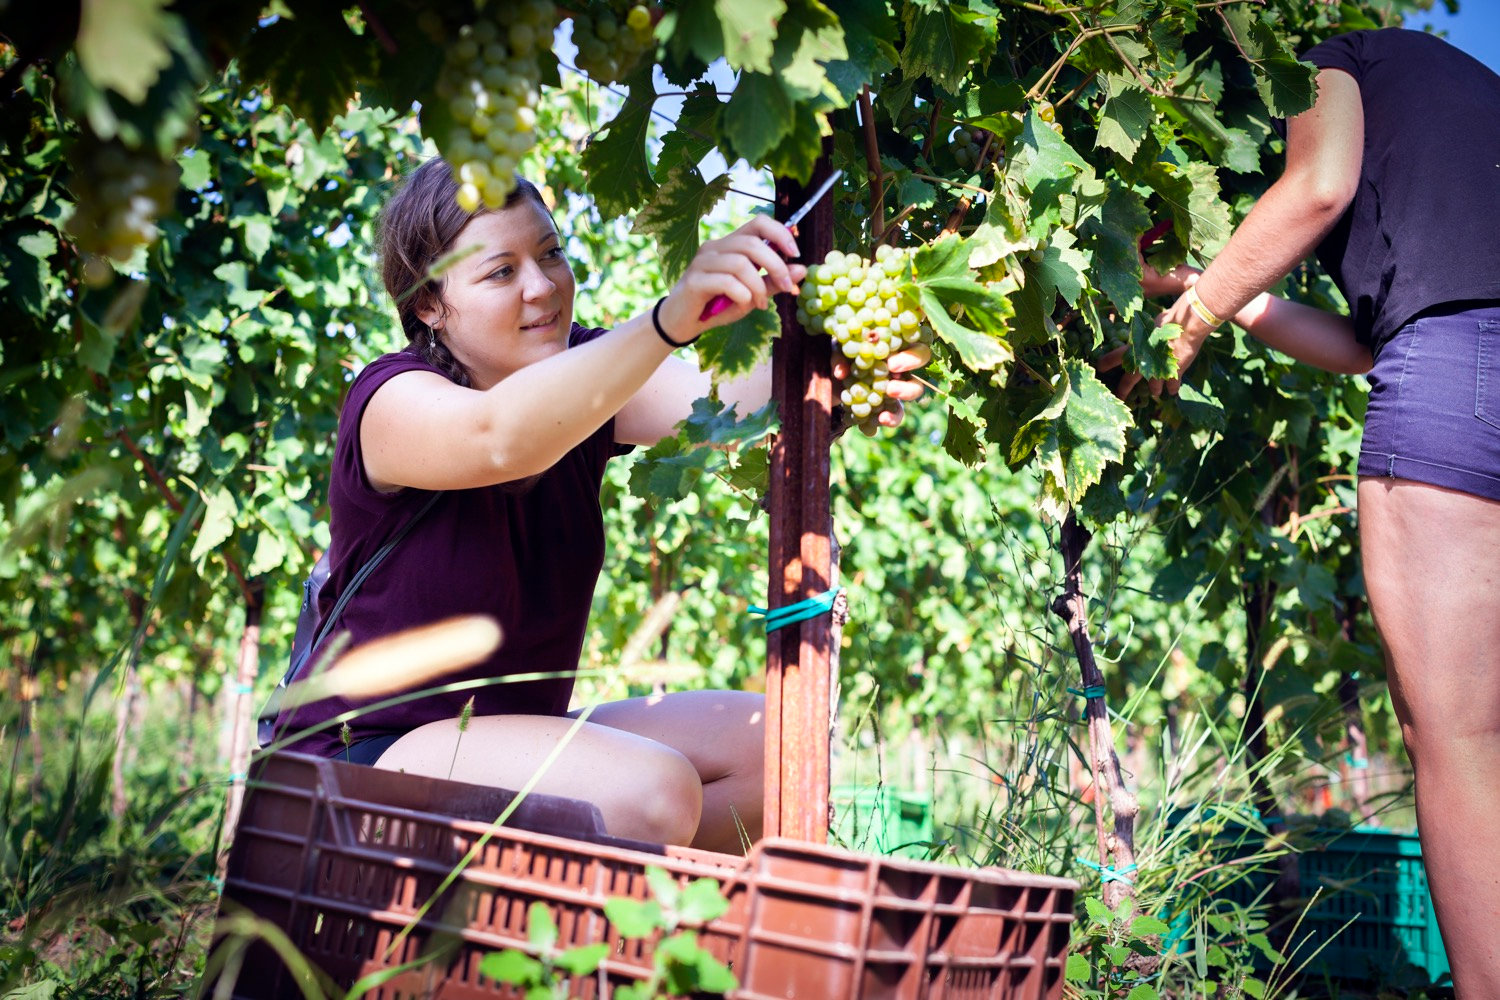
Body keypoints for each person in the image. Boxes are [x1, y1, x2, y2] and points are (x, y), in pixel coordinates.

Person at [274, 158, 928, 854]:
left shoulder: (590, 378)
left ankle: (629, 916)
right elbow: (499, 437)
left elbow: (727, 405)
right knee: (650, 793)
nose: (542, 286)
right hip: (361, 762)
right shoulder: (390, 400)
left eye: (550, 253)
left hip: (506, 748)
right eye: (501, 272)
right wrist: (670, 319)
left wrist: (846, 364)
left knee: (779, 748)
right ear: (430, 304)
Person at [1110, 27, 1500, 990]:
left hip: (1462, 373)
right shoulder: (1461, 95)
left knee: (1459, 736)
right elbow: (1360, 344)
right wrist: (1217, 288)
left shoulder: (1329, 58)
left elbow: (1318, 185)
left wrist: (1190, 322)